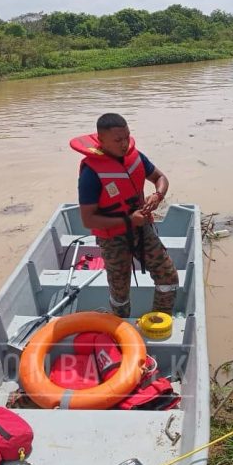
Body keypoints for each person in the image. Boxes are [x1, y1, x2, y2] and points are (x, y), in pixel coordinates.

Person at [70, 113, 178, 318]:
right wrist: (128, 220)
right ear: (101, 141)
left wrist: (157, 195)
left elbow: (160, 177)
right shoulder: (91, 174)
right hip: (113, 238)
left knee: (168, 276)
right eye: (118, 140)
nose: (124, 143)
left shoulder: (135, 156)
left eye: (127, 137)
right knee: (120, 293)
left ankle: (160, 319)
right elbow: (88, 219)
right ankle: (122, 331)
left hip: (142, 228)